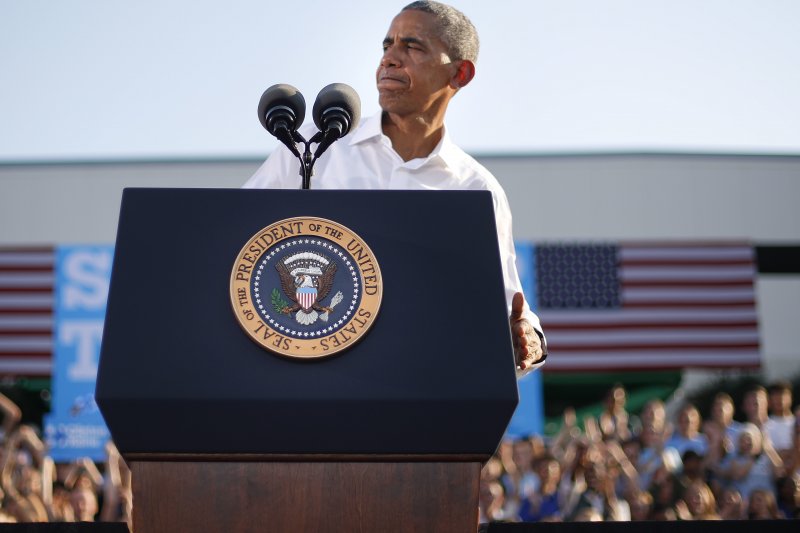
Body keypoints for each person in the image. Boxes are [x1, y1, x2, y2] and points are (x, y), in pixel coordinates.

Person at [243, 1, 546, 375]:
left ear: (460, 74)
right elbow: (240, 237)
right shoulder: (317, 147)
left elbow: (508, 305)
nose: (389, 59)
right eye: (387, 46)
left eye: (412, 47)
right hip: (307, 371)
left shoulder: (475, 189)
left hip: (417, 386)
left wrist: (526, 339)